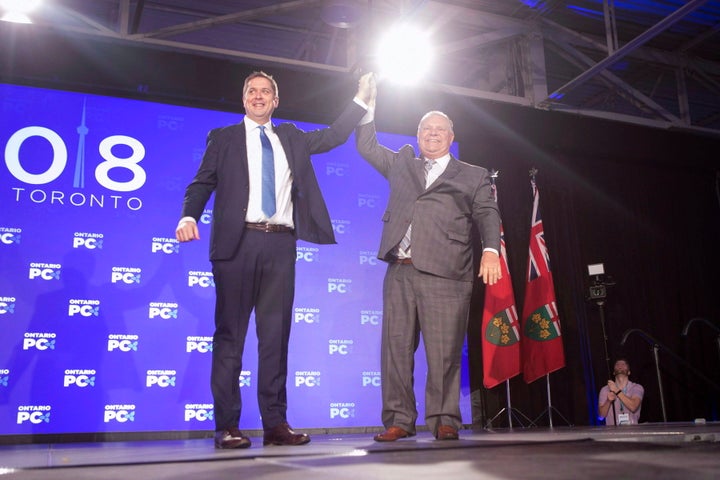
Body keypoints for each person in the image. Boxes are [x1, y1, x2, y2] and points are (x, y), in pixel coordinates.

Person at [176, 70, 375, 449]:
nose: (258, 95)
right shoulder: (224, 138)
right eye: (252, 90)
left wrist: (361, 98)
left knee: (275, 340)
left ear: (275, 101)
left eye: (265, 91)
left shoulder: (292, 137)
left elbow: (333, 136)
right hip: (237, 246)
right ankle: (227, 427)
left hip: (280, 247)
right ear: (244, 98)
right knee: (230, 338)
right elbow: (202, 182)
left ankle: (275, 425)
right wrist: (189, 215)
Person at [355, 75, 502, 441]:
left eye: (440, 129)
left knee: (445, 353)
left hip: (448, 274)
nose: (432, 133)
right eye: (425, 128)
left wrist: (490, 249)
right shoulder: (402, 163)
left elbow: (487, 213)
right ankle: (398, 421)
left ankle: (445, 419)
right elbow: (367, 145)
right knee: (395, 352)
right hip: (400, 271)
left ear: (451, 138)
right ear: (417, 135)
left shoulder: (472, 175)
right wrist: (367, 105)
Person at [598, 358, 644, 425]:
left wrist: (616, 390)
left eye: (623, 364)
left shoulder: (636, 388)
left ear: (629, 372)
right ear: (613, 372)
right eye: (617, 364)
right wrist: (608, 401)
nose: (620, 366)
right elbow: (601, 416)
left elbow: (633, 406)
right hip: (612, 433)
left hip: (632, 432)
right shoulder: (605, 389)